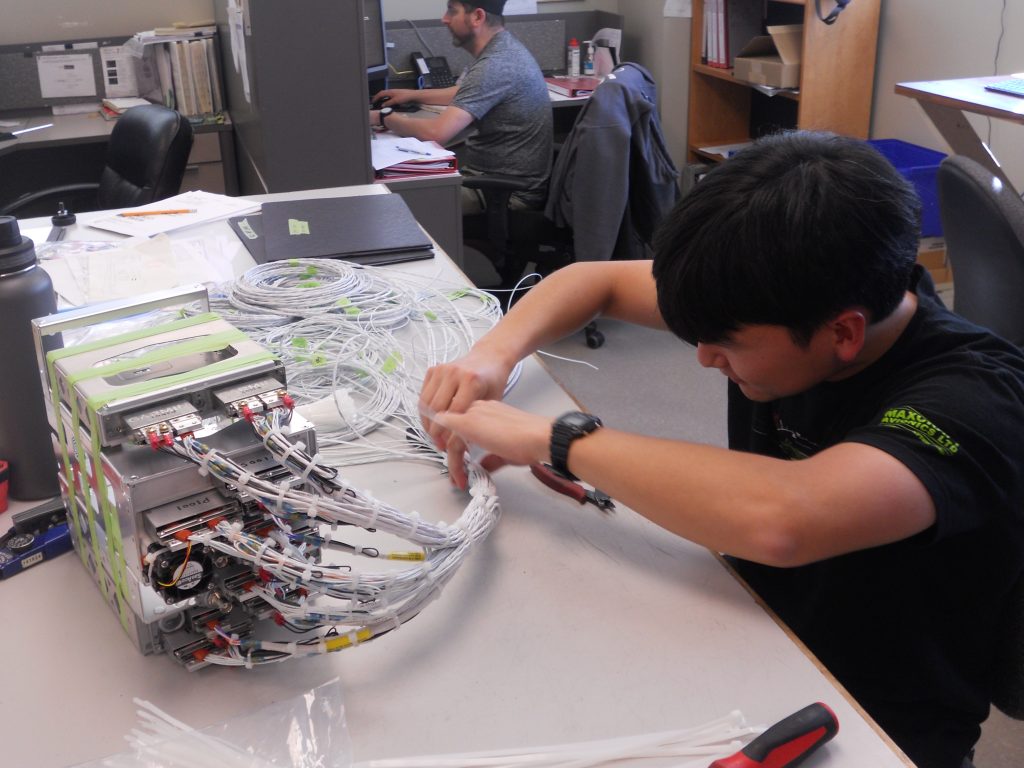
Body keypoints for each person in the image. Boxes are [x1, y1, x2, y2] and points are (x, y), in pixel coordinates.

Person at [418, 130, 1024, 768]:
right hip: (747, 624)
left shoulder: (978, 397)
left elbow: (786, 516)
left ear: (842, 332)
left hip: (871, 722)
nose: (704, 358)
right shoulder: (788, 293)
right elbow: (591, 280)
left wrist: (556, 437)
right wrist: (491, 356)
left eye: (723, 344)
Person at [369, 0, 553, 214]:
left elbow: (436, 133)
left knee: (394, 204)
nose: (444, 19)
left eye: (451, 11)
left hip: (503, 195)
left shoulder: (495, 65)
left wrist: (383, 118)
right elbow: (468, 91)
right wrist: (412, 95)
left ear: (477, 17)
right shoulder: (505, 48)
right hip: (491, 180)